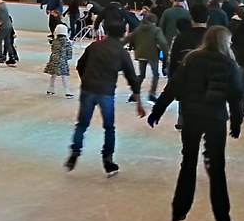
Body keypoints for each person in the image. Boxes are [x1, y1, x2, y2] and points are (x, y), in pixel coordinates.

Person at [148, 26, 243, 221]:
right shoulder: (229, 63)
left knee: (188, 162)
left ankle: (179, 210)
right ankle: (223, 219)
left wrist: (158, 110)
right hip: (215, 118)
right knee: (217, 168)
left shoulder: (192, 59)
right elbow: (236, 95)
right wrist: (237, 121)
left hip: (192, 116)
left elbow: (173, 86)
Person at [66, 23, 145, 176]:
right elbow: (132, 78)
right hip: (106, 92)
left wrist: (85, 81)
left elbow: (80, 65)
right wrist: (139, 103)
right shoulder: (122, 52)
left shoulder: (94, 46)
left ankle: (74, 153)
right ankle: (108, 161)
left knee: (82, 124)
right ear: (123, 35)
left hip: (88, 89)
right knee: (109, 127)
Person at [123, 14, 167, 102]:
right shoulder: (156, 30)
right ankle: (152, 93)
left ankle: (135, 93)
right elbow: (162, 43)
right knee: (155, 74)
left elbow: (127, 39)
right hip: (152, 55)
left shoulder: (138, 29)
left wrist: (117, 46)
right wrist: (167, 53)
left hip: (140, 54)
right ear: (154, 22)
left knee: (141, 75)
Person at [159, 0, 190, 75]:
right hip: (183, 40)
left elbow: (161, 26)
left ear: (174, 1)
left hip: (168, 39)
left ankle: (165, 69)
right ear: (183, 2)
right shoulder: (187, 13)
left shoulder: (167, 12)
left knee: (167, 56)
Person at [44, 23, 74, 97]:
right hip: (62, 60)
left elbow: (53, 50)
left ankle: (50, 89)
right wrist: (68, 57)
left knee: (53, 75)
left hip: (53, 59)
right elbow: (69, 53)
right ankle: (67, 91)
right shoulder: (67, 42)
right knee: (64, 76)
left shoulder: (54, 41)